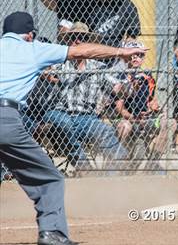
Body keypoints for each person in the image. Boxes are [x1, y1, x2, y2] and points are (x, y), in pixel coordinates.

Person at [0, 12, 147, 245]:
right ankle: (52, 233)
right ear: (29, 35)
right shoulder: (33, 48)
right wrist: (121, 51)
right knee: (50, 179)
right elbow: (84, 51)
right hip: (6, 120)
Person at [42, 22, 134, 172]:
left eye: (82, 37)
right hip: (59, 113)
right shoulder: (61, 64)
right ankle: (84, 167)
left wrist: (127, 87)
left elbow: (117, 88)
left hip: (86, 117)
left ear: (89, 42)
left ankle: (116, 171)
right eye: (73, 37)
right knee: (63, 122)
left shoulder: (98, 67)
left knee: (104, 130)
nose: (77, 41)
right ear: (68, 41)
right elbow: (47, 73)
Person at [113, 40, 168, 171]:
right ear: (126, 55)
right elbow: (118, 107)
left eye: (141, 55)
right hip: (126, 118)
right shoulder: (119, 76)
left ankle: (152, 164)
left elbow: (150, 100)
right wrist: (133, 118)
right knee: (125, 127)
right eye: (134, 54)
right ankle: (116, 164)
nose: (137, 58)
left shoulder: (148, 77)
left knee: (169, 122)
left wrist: (153, 107)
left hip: (144, 118)